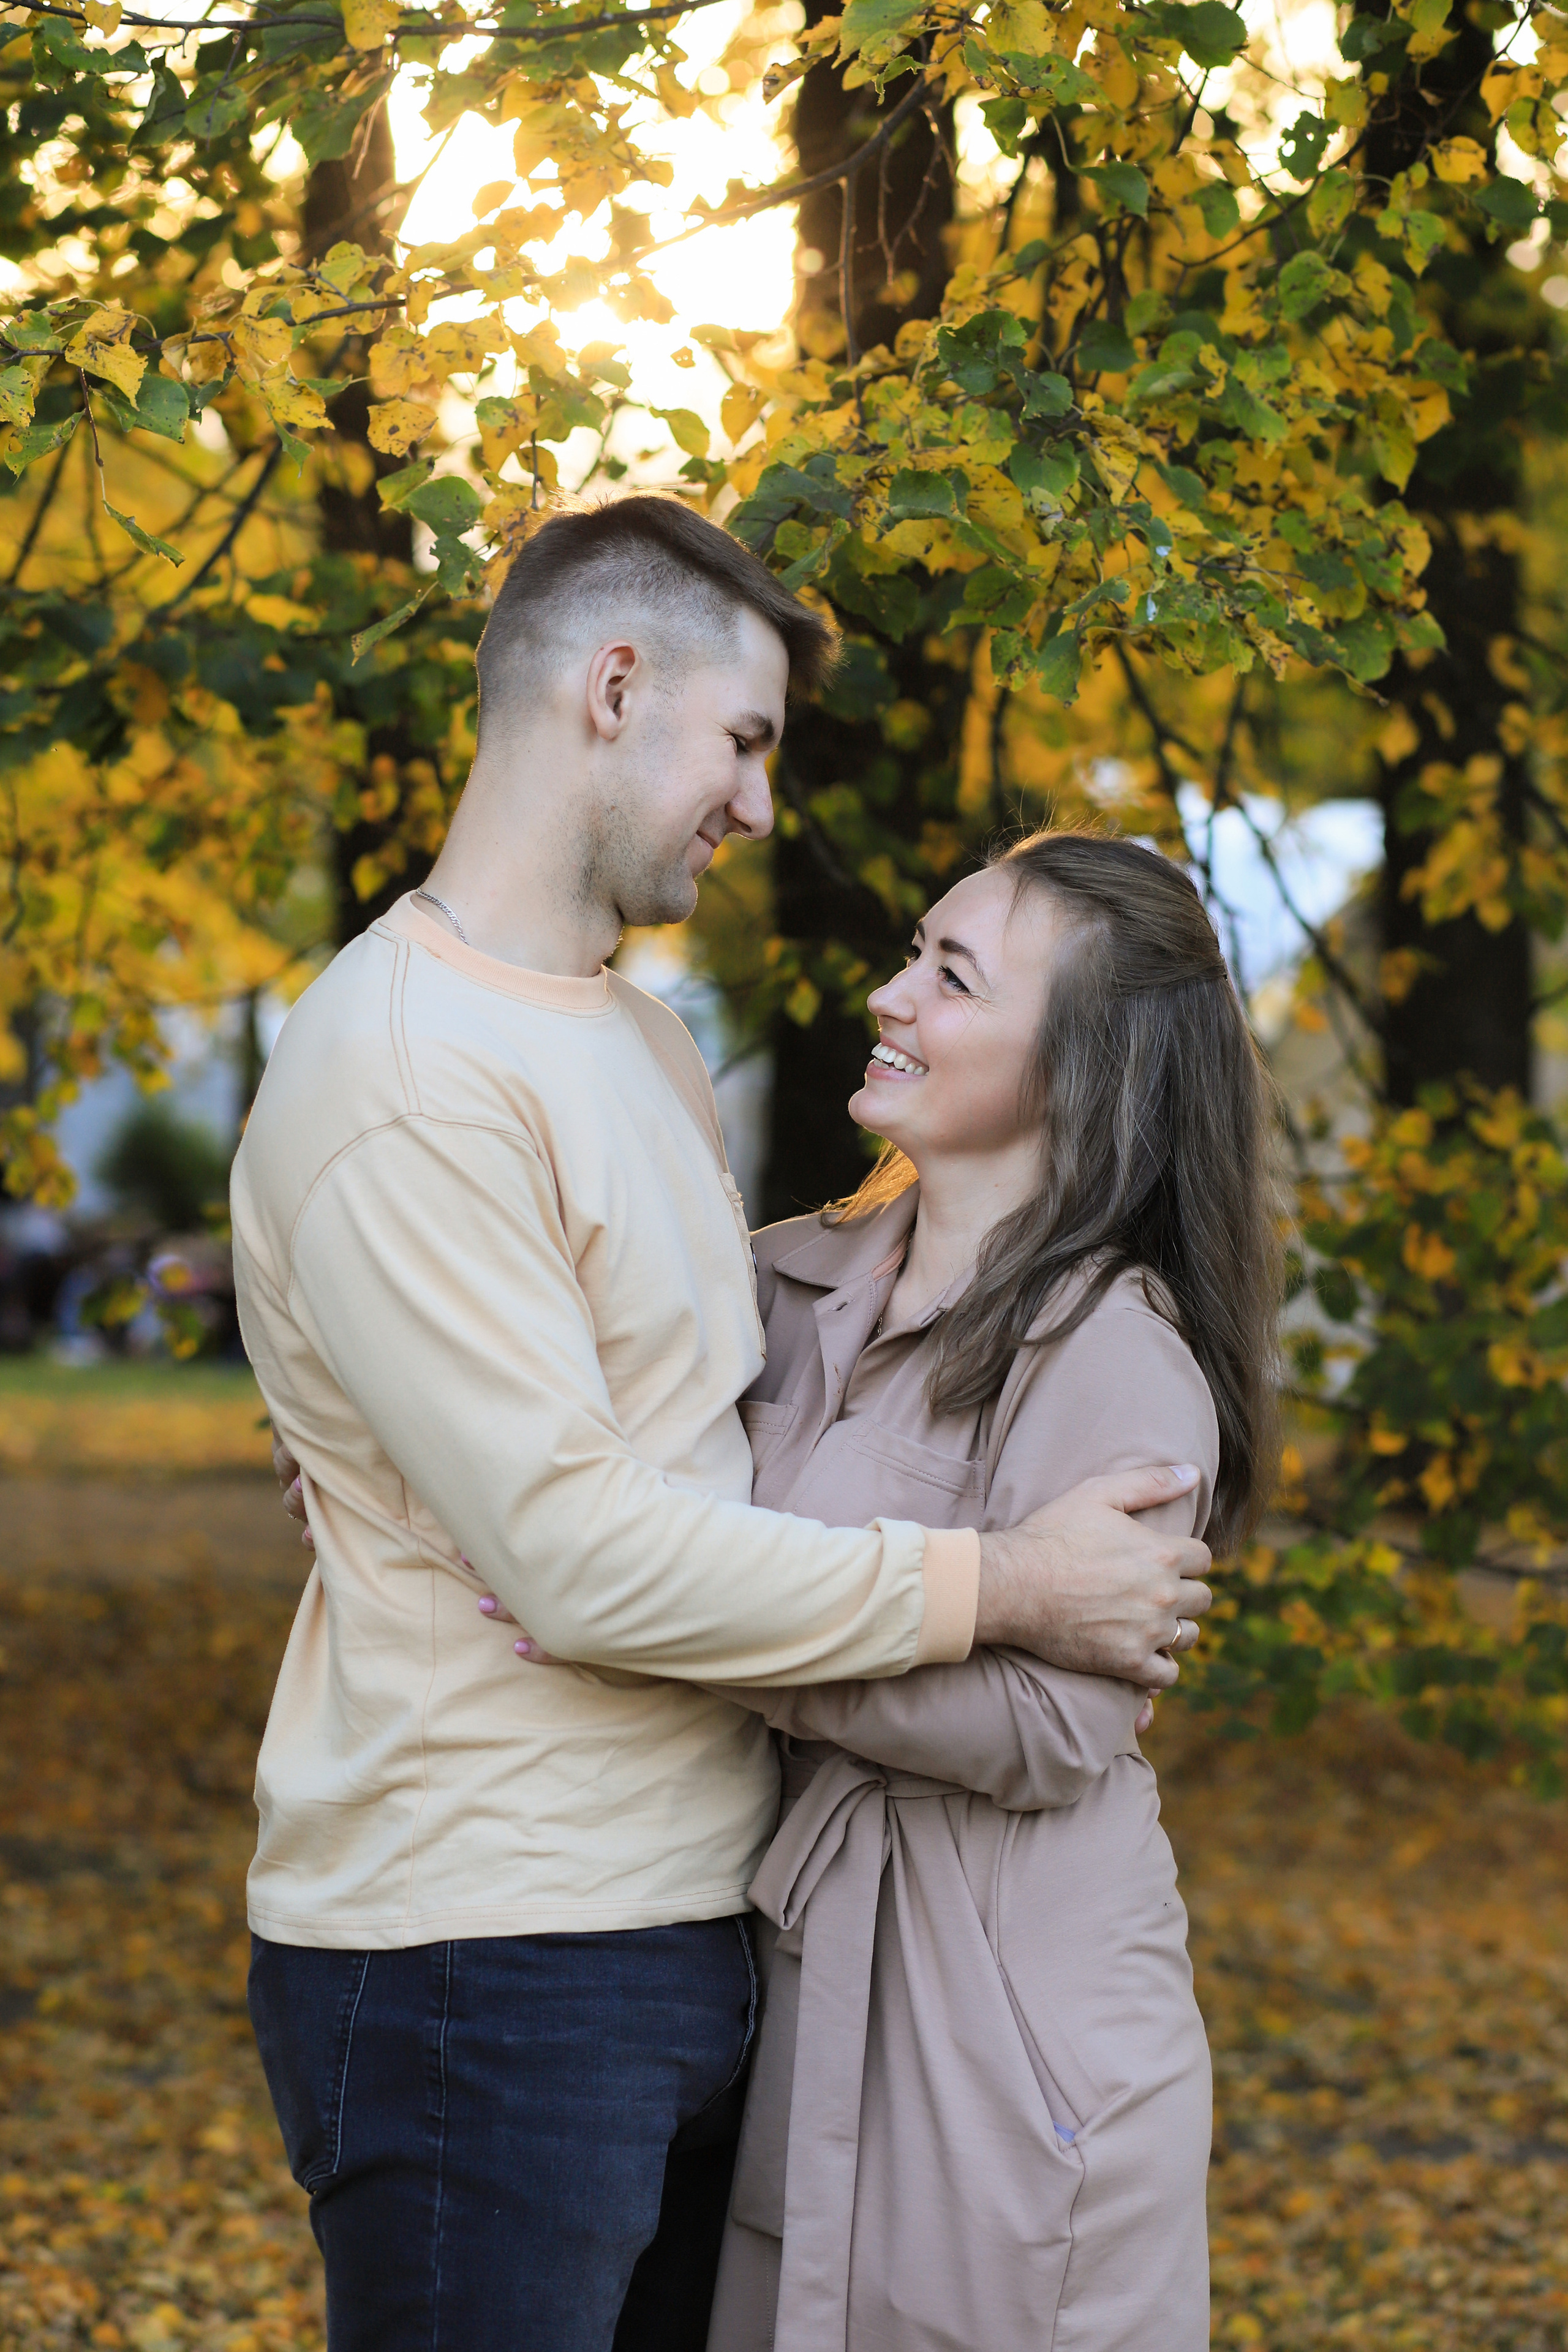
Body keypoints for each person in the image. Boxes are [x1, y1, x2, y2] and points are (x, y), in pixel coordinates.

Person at [236, 496, 1215, 2352]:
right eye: (746, 740)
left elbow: (687, 1425)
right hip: (483, 1951)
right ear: (615, 687)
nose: (762, 808)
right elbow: (586, 1556)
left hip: (705, 1922)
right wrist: (1000, 1581)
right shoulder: (403, 1077)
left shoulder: (636, 1039)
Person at [680, 831, 1280, 2351]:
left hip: (1009, 2018)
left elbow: (1045, 1723)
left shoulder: (1116, 1354)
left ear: (1078, 1064)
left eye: (948, 979)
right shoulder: (786, 1281)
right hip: (792, 1976)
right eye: (911, 953)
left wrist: (690, 1635)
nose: (888, 997)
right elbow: (538, 1394)